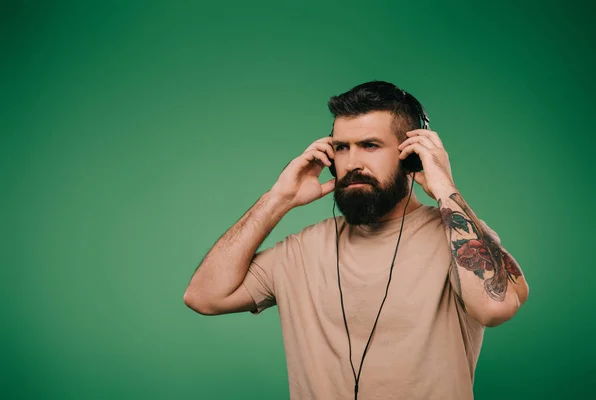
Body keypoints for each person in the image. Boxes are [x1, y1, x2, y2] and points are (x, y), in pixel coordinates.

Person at [183, 81, 529, 400]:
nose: (352, 162)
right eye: (341, 148)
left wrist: (445, 189)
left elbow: (496, 307)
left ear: (410, 154)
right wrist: (277, 200)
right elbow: (204, 297)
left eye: (370, 145)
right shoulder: (301, 250)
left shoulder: (460, 240)